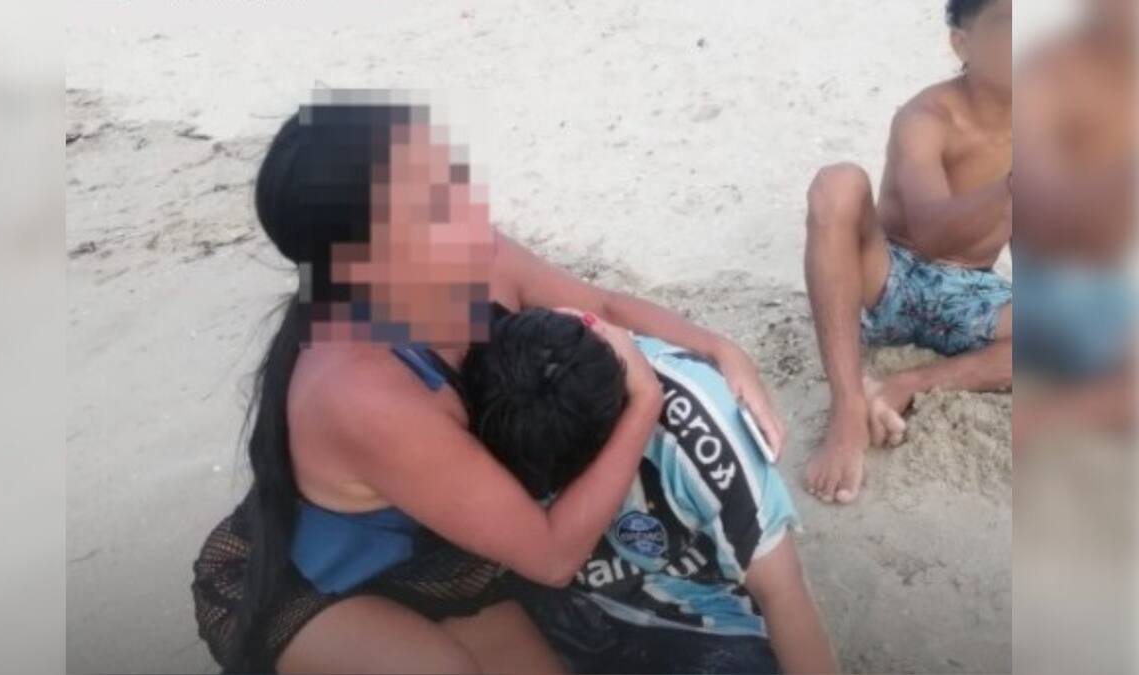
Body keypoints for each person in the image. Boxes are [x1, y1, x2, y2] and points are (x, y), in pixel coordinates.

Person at [190, 99, 787, 673]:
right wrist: (643, 403)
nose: (469, 208)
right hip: (309, 586)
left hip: (438, 561)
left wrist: (718, 347)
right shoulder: (364, 391)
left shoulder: (473, 254)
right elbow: (552, 555)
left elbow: (601, 305)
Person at [461, 308, 837, 675]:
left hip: (694, 619)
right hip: (564, 600)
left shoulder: (702, 434)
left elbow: (782, 593)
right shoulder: (488, 405)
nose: (576, 311)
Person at [802, 0, 1013, 504]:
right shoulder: (928, 116)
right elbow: (933, 232)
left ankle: (904, 385)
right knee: (838, 182)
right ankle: (848, 407)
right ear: (962, 43)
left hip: (970, 292)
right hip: (887, 275)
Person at [1012, 0, 1137, 447]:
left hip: (1104, 282)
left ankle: (1045, 419)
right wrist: (1120, 179)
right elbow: (1038, 211)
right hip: (1049, 280)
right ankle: (1038, 422)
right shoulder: (1050, 72)